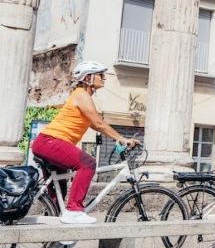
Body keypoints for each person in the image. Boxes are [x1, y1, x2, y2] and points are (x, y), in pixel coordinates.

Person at [31, 61, 139, 224]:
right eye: (100, 75)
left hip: (48, 143)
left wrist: (116, 137)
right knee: (87, 164)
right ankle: (74, 210)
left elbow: (95, 125)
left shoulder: (82, 96)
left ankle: (54, 221)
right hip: (50, 142)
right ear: (88, 78)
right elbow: (99, 123)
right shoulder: (81, 95)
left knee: (60, 188)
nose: (104, 78)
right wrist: (122, 139)